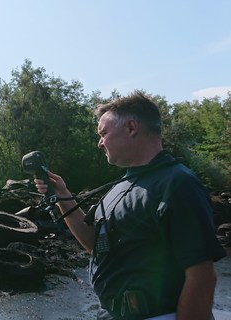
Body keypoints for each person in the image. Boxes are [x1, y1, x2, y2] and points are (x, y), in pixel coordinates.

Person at [34, 91, 226, 320]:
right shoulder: (121, 186)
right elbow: (95, 245)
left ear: (131, 127)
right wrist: (62, 195)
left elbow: (202, 276)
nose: (99, 142)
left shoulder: (177, 184)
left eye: (103, 133)